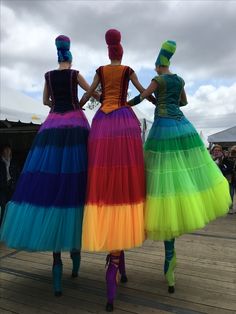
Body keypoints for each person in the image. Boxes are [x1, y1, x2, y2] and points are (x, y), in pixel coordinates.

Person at [129, 40, 231, 293]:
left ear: (157, 64)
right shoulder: (180, 80)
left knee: (161, 180)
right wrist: (167, 102)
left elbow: (141, 96)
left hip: (163, 128)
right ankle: (171, 267)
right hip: (181, 126)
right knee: (182, 175)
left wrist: (127, 103)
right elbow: (183, 103)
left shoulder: (158, 80)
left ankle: (169, 260)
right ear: (169, 62)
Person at [0, 35, 91, 296]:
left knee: (49, 183)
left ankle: (57, 267)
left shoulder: (48, 76)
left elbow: (44, 102)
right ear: (70, 55)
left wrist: (55, 106)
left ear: (57, 55)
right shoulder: (75, 75)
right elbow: (91, 92)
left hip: (53, 124)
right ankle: (75, 260)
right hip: (74, 124)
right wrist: (79, 105)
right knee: (77, 182)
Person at [80, 29, 149, 312]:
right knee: (125, 174)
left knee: (102, 172)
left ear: (109, 52)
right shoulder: (128, 71)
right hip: (123, 120)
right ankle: (118, 263)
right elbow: (144, 91)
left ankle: (114, 262)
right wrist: (131, 103)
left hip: (102, 122)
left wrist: (84, 103)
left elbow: (89, 92)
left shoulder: (99, 70)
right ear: (121, 52)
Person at [0, 144, 19, 226]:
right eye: (6, 150)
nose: (8, 151)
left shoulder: (14, 161)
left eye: (9, 150)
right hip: (2, 187)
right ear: (3, 151)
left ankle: (11, 225)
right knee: (4, 206)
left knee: (12, 206)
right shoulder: (0, 162)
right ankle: (2, 225)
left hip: (12, 186)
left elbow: (18, 173)